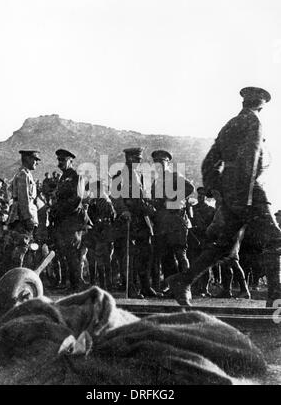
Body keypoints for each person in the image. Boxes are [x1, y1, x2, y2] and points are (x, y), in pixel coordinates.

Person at [167, 86, 281, 307]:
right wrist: (244, 197)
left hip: (232, 191)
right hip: (250, 190)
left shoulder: (229, 125)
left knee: (224, 246)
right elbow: (250, 158)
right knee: (275, 238)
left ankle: (182, 280)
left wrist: (219, 189)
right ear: (261, 105)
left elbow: (209, 163)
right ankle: (276, 298)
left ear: (243, 102)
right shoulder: (254, 122)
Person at [111, 147, 161, 298]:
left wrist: (150, 207)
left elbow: (142, 197)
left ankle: (145, 287)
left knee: (145, 255)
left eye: (139, 160)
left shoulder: (140, 176)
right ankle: (131, 288)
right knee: (130, 256)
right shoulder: (120, 176)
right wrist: (123, 210)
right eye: (135, 160)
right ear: (128, 159)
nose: (138, 163)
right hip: (129, 220)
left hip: (142, 220)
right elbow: (116, 197)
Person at [150, 150, 194, 295]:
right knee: (166, 256)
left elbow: (189, 188)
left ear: (167, 163)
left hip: (176, 220)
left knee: (180, 254)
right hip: (162, 223)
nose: (158, 166)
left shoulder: (175, 176)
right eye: (156, 163)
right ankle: (173, 287)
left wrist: (173, 198)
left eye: (161, 163)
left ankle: (186, 287)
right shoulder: (156, 181)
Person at [50, 149, 88, 292]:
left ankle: (76, 286)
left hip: (72, 221)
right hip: (63, 221)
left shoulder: (76, 177)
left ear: (70, 161)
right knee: (67, 254)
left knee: (73, 254)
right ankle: (72, 285)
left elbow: (77, 199)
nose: (60, 163)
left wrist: (60, 211)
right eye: (59, 160)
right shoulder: (62, 178)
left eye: (63, 160)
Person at [6, 150, 41, 268]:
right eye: (34, 159)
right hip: (22, 217)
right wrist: (28, 218)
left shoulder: (22, 174)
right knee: (22, 247)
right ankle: (18, 277)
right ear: (27, 159)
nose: (36, 162)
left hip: (18, 215)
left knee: (21, 248)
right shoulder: (23, 175)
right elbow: (23, 198)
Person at [189, 187, 215, 297]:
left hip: (206, 239)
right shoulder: (192, 209)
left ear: (205, 197)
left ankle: (204, 288)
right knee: (194, 263)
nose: (200, 197)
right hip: (195, 239)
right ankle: (194, 287)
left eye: (203, 195)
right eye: (199, 195)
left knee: (205, 265)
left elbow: (213, 225)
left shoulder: (211, 210)